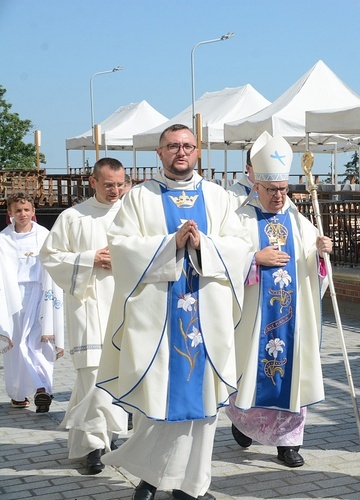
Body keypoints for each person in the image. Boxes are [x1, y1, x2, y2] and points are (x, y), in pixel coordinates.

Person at [96, 124, 251, 500]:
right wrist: (170, 244)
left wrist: (202, 244)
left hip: (207, 319)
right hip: (157, 321)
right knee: (157, 397)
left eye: (187, 146)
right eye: (172, 146)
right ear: (159, 153)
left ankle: (191, 486)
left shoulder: (218, 197)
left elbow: (241, 246)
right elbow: (121, 246)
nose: (180, 153)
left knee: (202, 406)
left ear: (197, 152)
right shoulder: (139, 198)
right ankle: (152, 478)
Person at [226, 133, 332, 468]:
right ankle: (244, 422)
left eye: (284, 189)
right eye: (272, 189)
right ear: (256, 183)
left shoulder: (298, 220)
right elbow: (224, 258)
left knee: (294, 374)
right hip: (254, 317)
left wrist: (321, 253)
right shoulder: (239, 219)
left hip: (294, 319)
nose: (278, 196)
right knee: (250, 373)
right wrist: (254, 258)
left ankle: (288, 443)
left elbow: (312, 265)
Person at [40, 157, 130, 475]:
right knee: (92, 377)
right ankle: (94, 446)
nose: (115, 190)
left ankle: (107, 436)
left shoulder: (134, 214)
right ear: (93, 182)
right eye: (108, 185)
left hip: (125, 308)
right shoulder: (73, 217)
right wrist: (90, 258)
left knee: (117, 377)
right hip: (90, 307)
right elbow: (49, 256)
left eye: (120, 184)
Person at [0, 192, 64, 412]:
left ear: (33, 211)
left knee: (37, 342)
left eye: (26, 210)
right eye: (18, 211)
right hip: (13, 297)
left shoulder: (45, 235)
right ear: (10, 213)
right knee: (17, 345)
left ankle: (41, 389)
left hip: (40, 295)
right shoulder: (3, 239)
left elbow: (53, 263)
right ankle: (20, 394)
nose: (23, 214)